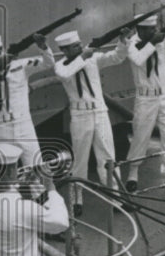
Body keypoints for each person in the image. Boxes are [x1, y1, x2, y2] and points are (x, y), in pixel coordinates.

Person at [47, 28, 130, 215]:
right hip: (80, 116)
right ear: (66, 50)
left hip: (99, 112)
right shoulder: (61, 66)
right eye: (75, 47)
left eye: (79, 45)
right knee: (80, 161)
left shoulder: (92, 58)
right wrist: (82, 57)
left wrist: (122, 41)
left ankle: (115, 198)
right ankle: (77, 200)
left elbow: (117, 57)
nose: (80, 48)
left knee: (108, 158)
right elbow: (66, 74)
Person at [0, 34, 55, 169]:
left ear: (1, 50)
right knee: (0, 170)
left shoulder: (20, 65)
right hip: (2, 127)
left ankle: (40, 191)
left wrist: (43, 47)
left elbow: (48, 64)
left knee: (35, 166)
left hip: (23, 124)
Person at [124, 15, 165, 192]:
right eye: (149, 30)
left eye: (154, 29)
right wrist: (153, 43)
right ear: (140, 30)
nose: (153, 32)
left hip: (164, 95)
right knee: (140, 136)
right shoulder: (130, 43)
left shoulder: (160, 40)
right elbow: (137, 59)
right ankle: (133, 174)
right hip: (145, 98)